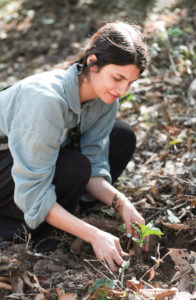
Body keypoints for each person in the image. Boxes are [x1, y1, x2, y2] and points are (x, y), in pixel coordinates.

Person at [0, 21, 148, 272]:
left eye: (130, 82)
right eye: (117, 77)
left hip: (41, 161)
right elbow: (32, 191)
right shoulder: (45, 100)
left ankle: (69, 210)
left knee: (121, 136)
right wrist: (93, 234)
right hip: (10, 167)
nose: (123, 90)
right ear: (92, 62)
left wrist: (122, 203)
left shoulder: (104, 100)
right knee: (73, 166)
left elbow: (95, 165)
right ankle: (31, 232)